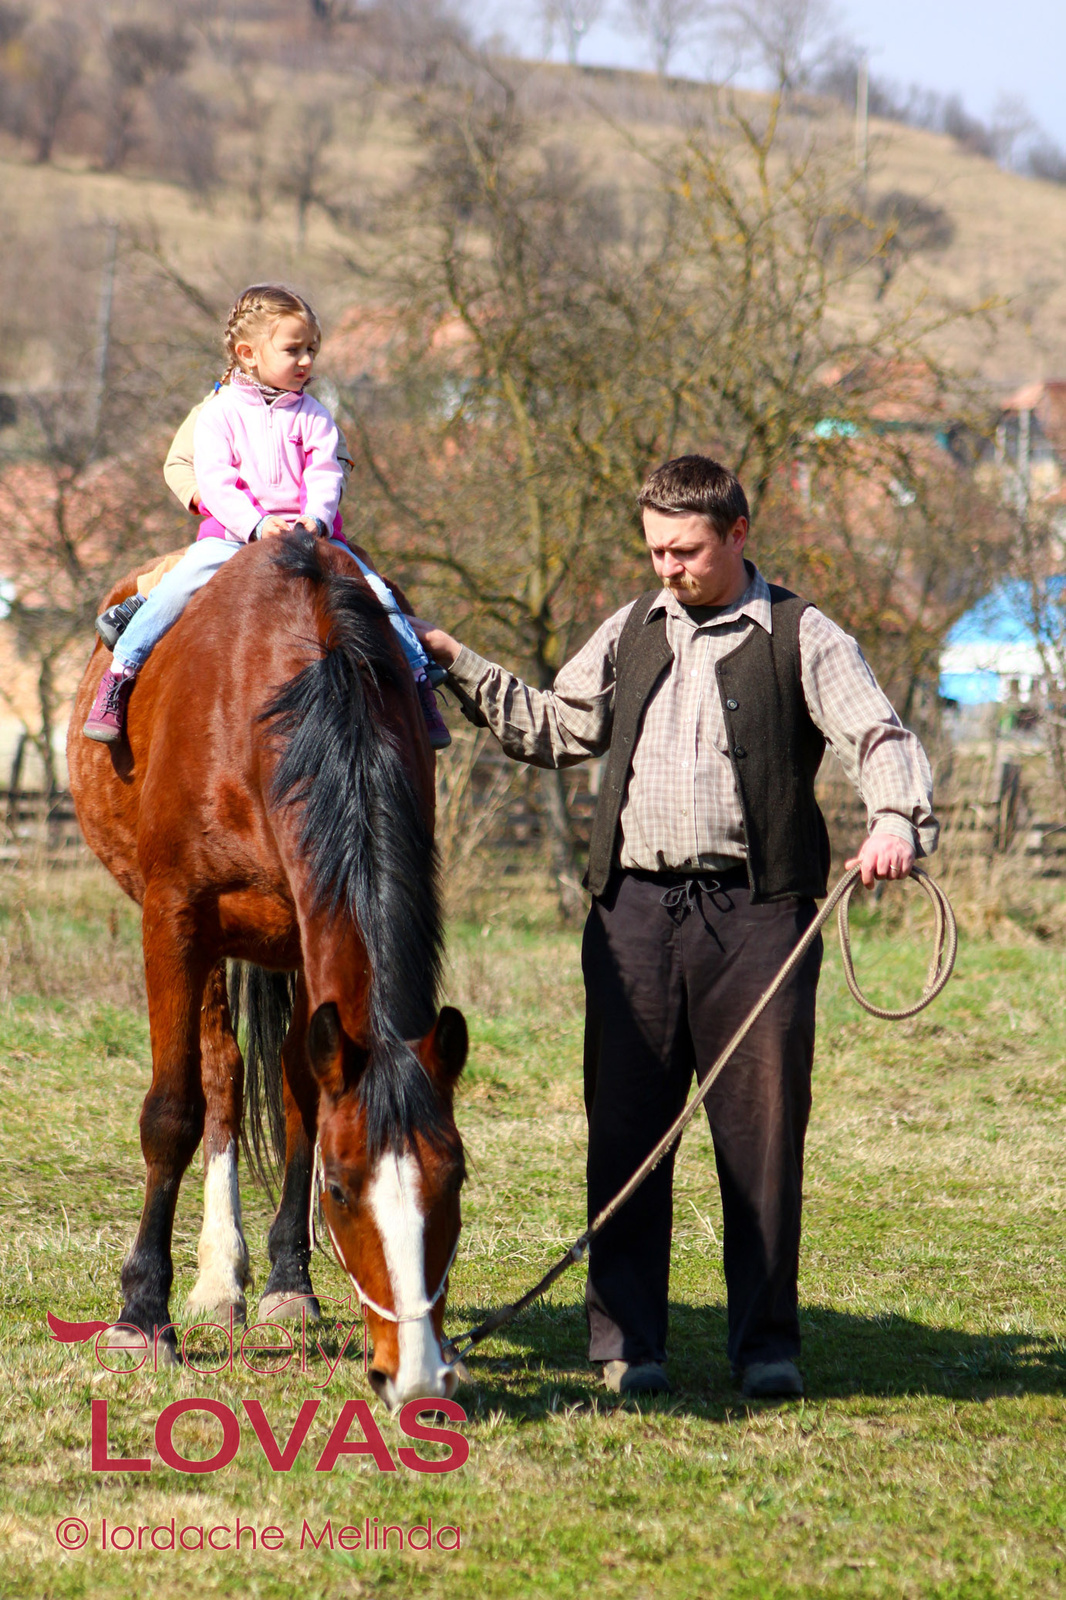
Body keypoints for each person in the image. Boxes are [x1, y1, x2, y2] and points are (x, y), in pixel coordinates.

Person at [412, 454, 938, 1400]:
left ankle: (766, 1348)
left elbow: (878, 736)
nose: (668, 567)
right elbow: (554, 727)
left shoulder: (803, 635)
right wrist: (458, 664)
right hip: (634, 918)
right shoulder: (629, 630)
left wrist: (896, 817)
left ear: (737, 537)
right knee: (623, 1133)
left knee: (763, 1136)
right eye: (655, 549)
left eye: (686, 550)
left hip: (760, 917)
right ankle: (627, 1350)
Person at [83, 284, 450, 748]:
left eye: (311, 349)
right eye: (293, 350)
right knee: (176, 589)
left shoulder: (316, 415)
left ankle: (418, 684)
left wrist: (315, 519)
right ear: (248, 353)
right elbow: (215, 480)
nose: (306, 361)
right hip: (234, 537)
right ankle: (120, 676)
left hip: (310, 536)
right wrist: (255, 524)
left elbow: (326, 472)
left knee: (377, 594)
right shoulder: (217, 414)